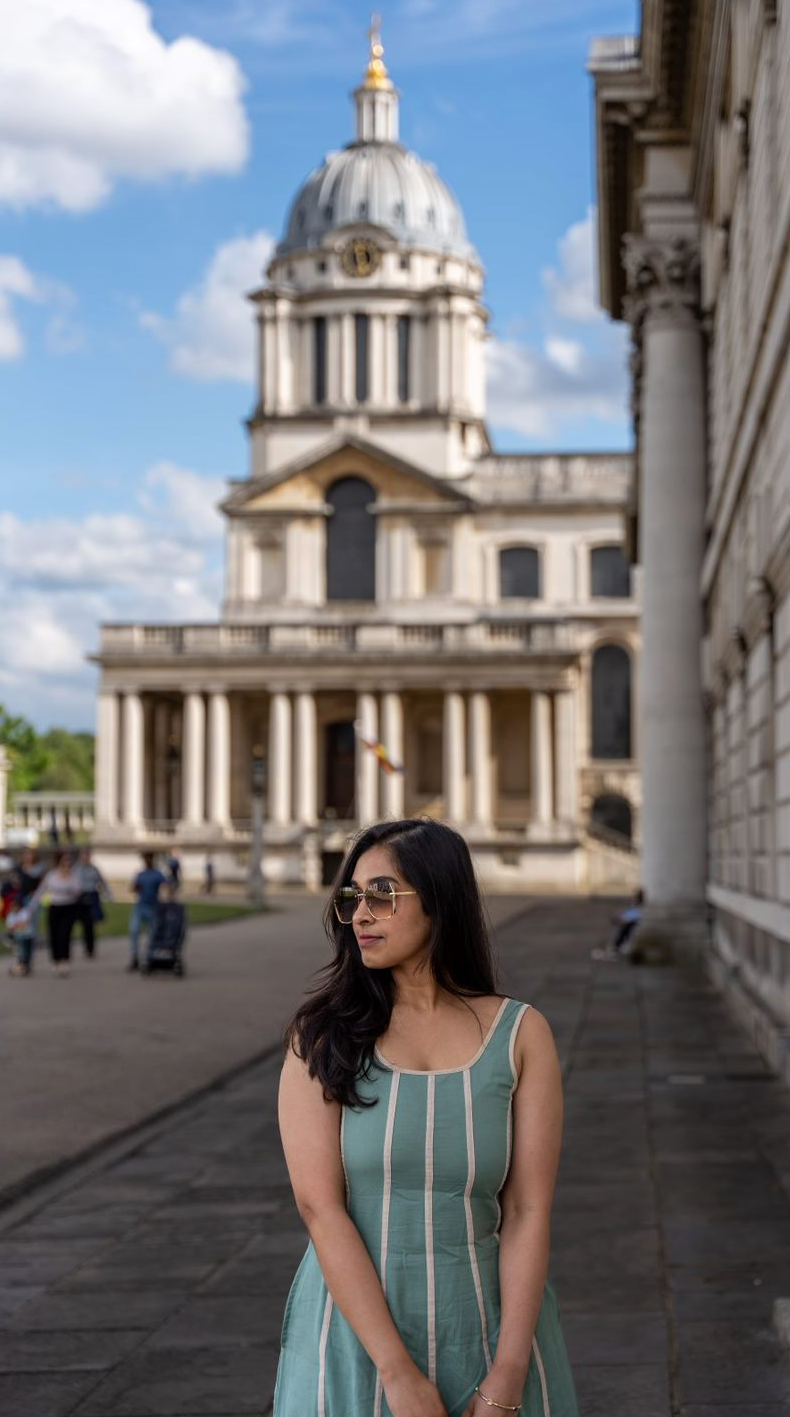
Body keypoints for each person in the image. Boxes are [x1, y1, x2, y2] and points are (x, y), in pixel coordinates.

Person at [274, 818, 579, 1417]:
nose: (360, 914)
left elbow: (526, 1209)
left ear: (440, 901)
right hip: (354, 1337)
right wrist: (398, 1373)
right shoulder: (322, 1037)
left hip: (491, 1328)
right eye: (351, 898)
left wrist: (509, 1374)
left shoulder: (519, 1034)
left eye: (382, 895)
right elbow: (320, 1207)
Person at [27, 849, 84, 978]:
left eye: (69, 860)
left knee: (65, 934)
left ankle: (65, 959)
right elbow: (41, 891)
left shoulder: (74, 875)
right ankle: (56, 959)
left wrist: (68, 877)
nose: (67, 862)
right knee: (54, 935)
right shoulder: (51, 875)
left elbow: (78, 891)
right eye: (65, 859)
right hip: (55, 907)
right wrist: (32, 906)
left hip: (69, 907)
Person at [6, 848, 44, 977]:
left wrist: (34, 902)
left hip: (31, 903)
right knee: (18, 933)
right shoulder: (18, 870)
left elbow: (40, 888)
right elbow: (12, 885)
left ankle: (25, 962)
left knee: (28, 933)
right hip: (19, 903)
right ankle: (20, 961)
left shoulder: (38, 870)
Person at [128, 852, 167, 973]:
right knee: (134, 931)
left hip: (153, 907)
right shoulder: (140, 874)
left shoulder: (157, 874)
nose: (147, 861)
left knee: (152, 934)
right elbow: (133, 888)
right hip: (140, 906)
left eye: (149, 859)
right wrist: (136, 888)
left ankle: (150, 957)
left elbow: (166, 886)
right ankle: (135, 957)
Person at [77, 848, 113, 959]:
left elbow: (102, 882)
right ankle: (86, 945)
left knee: (90, 924)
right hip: (80, 897)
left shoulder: (94, 869)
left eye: (87, 856)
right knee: (84, 924)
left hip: (92, 897)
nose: (86, 858)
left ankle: (90, 948)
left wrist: (108, 895)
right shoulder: (76, 869)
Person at [591, 889, 644, 962]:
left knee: (625, 928)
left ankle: (615, 948)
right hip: (630, 921)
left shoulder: (640, 907)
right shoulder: (636, 906)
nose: (634, 897)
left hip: (632, 923)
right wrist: (620, 915)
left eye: (636, 896)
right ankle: (614, 947)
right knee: (622, 927)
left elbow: (634, 914)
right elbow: (629, 912)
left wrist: (621, 917)